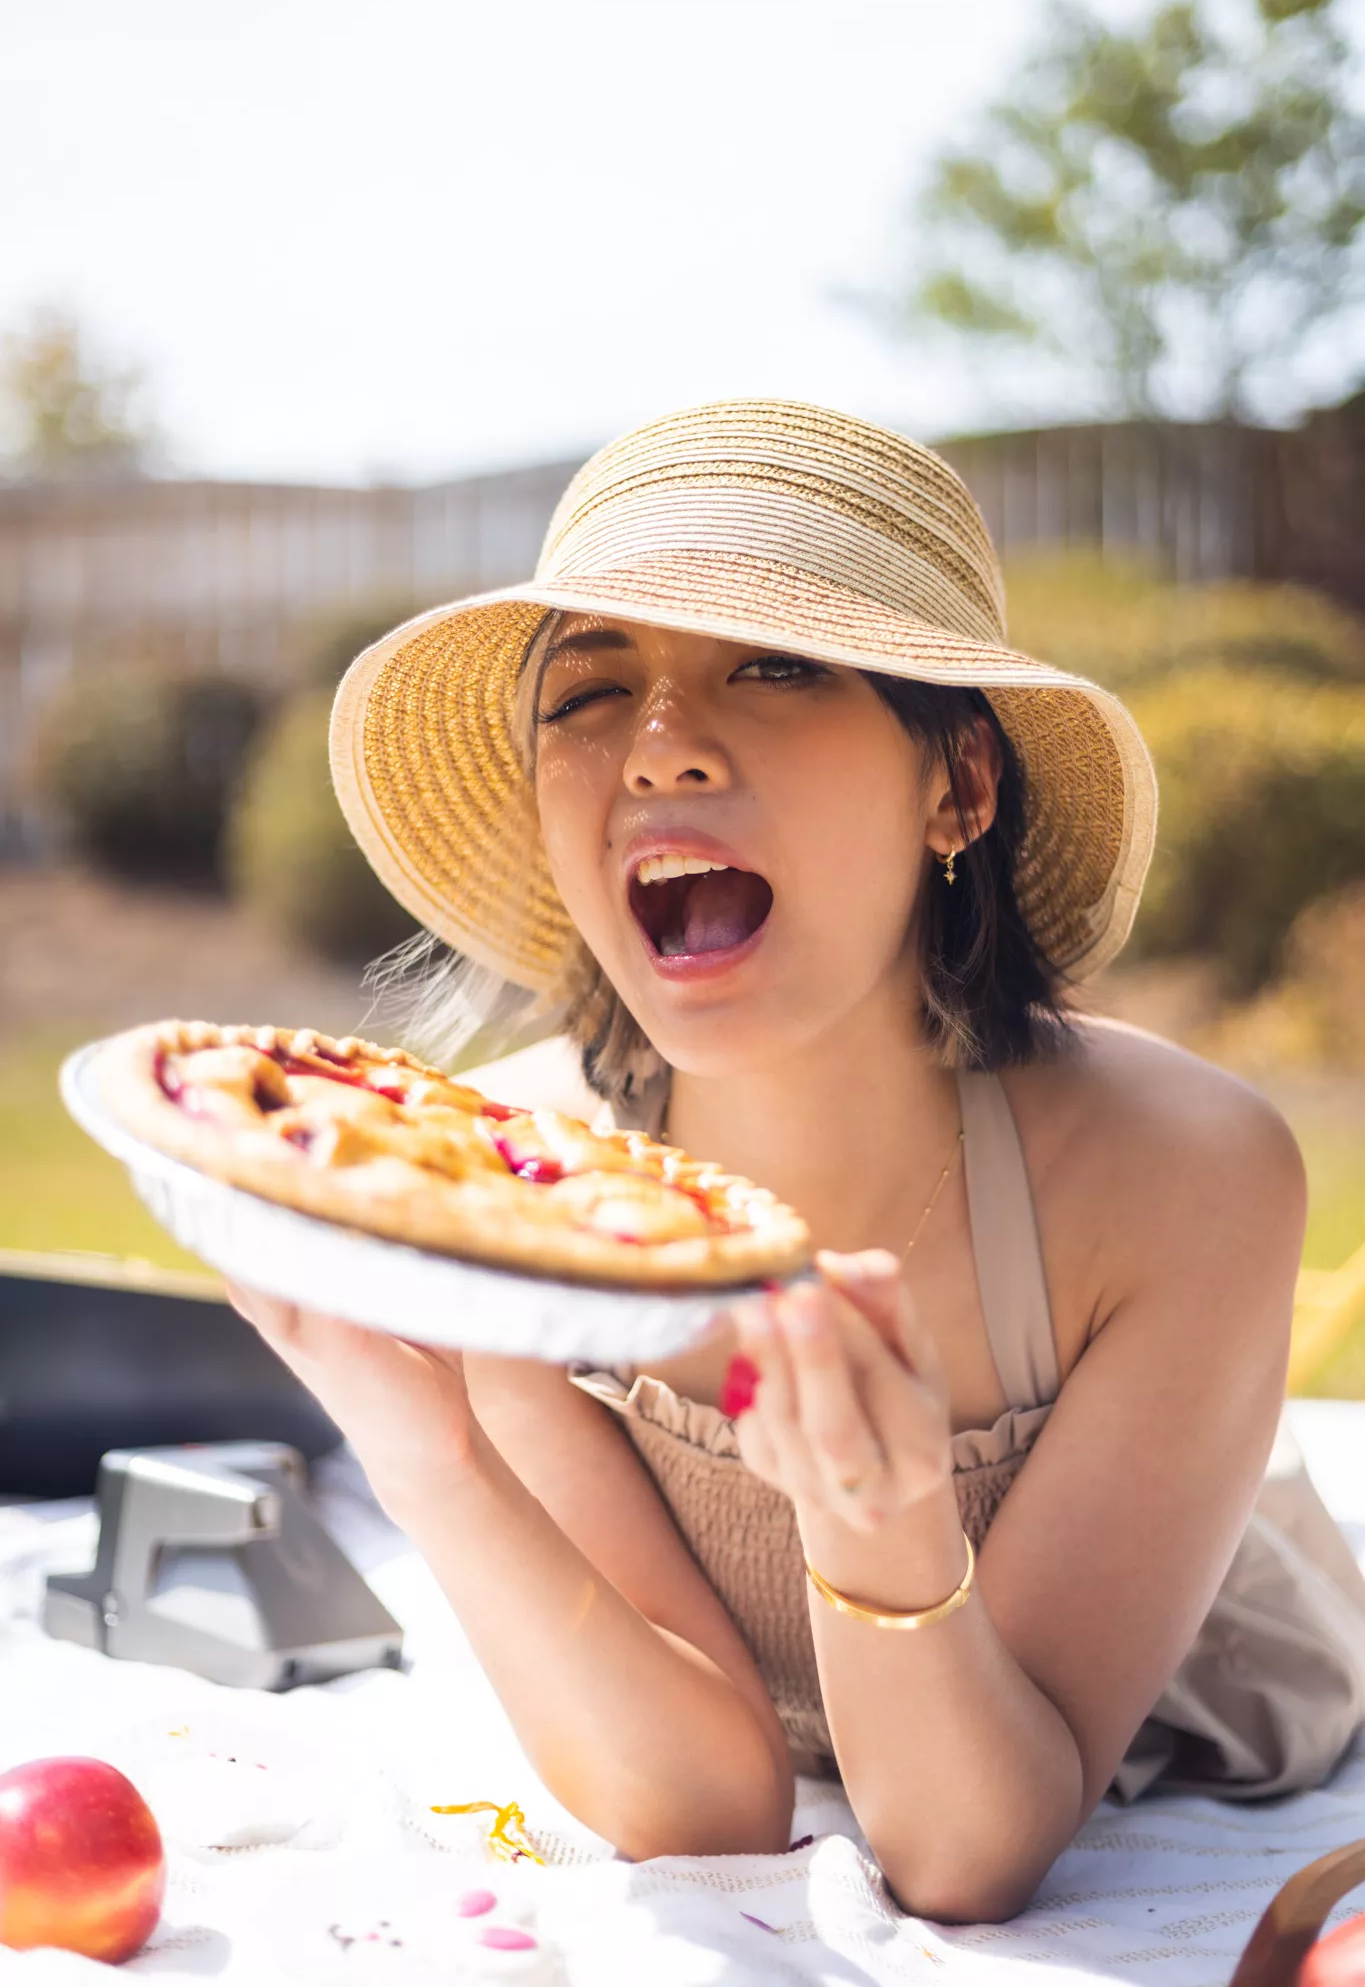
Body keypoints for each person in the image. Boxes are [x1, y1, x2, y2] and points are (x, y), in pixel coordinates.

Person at [230, 399, 1365, 1923]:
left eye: (774, 665)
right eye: (589, 692)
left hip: (1155, 1738)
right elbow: (698, 1802)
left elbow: (964, 1850)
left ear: (957, 784)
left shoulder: (1188, 1179)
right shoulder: (504, 1180)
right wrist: (421, 1444)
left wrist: (881, 1524)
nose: (661, 749)